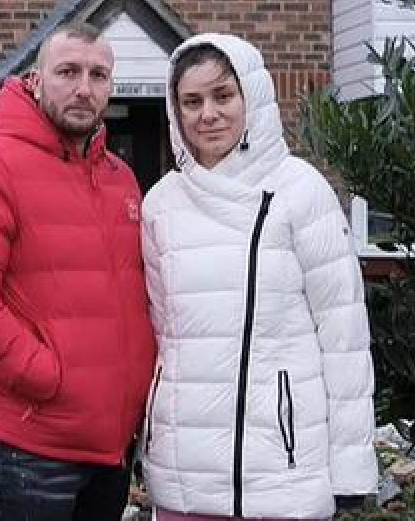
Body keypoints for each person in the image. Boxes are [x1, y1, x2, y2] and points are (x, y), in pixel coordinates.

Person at [138, 33, 378, 520]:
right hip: (186, 471)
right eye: (192, 101)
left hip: (282, 467)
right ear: (175, 110)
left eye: (223, 96)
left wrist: (350, 468)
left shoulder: (300, 191)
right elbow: (163, 336)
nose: (208, 114)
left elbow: (344, 336)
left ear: (252, 95)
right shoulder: (160, 204)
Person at [0, 22, 158, 521]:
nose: (84, 87)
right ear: (35, 80)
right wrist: (46, 376)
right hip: (33, 448)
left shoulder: (121, 179)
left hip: (111, 448)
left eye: (98, 75)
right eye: (68, 71)